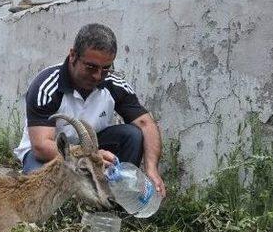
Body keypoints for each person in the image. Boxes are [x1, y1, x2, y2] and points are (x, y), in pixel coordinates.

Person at [13, 23, 167, 198]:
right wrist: (89, 158)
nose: (97, 76)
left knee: (133, 134)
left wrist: (151, 169)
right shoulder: (46, 86)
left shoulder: (114, 84)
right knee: (38, 193)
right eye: (91, 67)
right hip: (51, 153)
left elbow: (146, 124)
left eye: (106, 68)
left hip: (94, 149)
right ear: (73, 56)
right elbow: (41, 146)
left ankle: (116, 199)